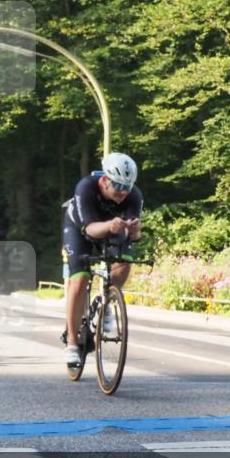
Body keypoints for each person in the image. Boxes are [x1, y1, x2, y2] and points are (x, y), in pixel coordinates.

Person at [62, 153, 143, 366]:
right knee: (79, 278)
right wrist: (110, 226)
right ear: (105, 180)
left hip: (114, 227)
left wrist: (134, 231)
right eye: (117, 186)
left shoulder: (134, 195)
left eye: (127, 187)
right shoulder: (86, 187)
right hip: (81, 229)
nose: (123, 192)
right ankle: (72, 342)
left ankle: (107, 301)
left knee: (125, 261)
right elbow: (89, 229)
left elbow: (134, 236)